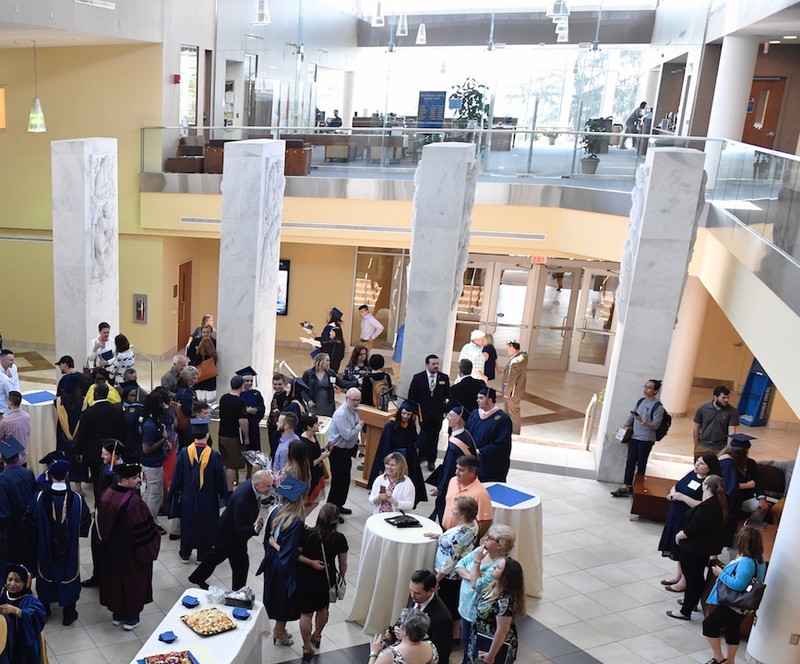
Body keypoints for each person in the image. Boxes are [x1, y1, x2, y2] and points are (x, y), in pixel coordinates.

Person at [21, 459, 90, 626]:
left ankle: (46, 610)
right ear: (67, 475)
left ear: (49, 475)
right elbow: (85, 523)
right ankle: (69, 613)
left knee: (46, 574)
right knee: (69, 574)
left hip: (45, 549)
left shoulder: (38, 498)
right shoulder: (78, 499)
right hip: (69, 550)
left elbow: (28, 525)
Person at [94, 463, 161, 630]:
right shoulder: (134, 503)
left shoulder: (104, 495)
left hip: (109, 551)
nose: (138, 480)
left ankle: (117, 614)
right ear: (124, 480)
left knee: (114, 581)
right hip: (130, 554)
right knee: (132, 582)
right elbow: (146, 533)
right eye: (134, 478)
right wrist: (149, 550)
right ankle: (131, 617)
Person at [189, 469, 274, 591]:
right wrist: (255, 528)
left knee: (217, 555)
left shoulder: (253, 485)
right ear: (256, 485)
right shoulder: (243, 499)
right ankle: (238, 593)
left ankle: (197, 577)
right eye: (268, 486)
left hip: (229, 529)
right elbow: (239, 528)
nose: (270, 489)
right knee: (241, 564)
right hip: (231, 535)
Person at [658, 453, 723, 592]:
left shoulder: (710, 483)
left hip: (690, 520)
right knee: (677, 550)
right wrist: (673, 492)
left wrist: (682, 497)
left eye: (701, 464)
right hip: (676, 515)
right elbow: (678, 485)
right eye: (697, 462)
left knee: (685, 551)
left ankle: (684, 582)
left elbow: (705, 505)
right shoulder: (692, 474)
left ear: (709, 468)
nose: (697, 465)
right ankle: (678, 576)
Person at [702, 526, 767, 664]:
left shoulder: (746, 561)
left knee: (709, 625)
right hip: (743, 606)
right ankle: (730, 661)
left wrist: (721, 573)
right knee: (732, 629)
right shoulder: (759, 559)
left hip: (733, 604)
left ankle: (719, 658)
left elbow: (739, 584)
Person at [667, 474, 727, 621]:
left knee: (693, 579)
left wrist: (679, 536)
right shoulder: (716, 503)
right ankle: (691, 603)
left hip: (694, 549)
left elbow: (694, 528)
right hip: (702, 549)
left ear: (706, 486)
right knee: (696, 578)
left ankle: (685, 611)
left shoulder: (709, 506)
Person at [257, 475, 308, 647]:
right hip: (284, 566)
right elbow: (288, 552)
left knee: (276, 597)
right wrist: (295, 549)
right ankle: (279, 632)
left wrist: (273, 546)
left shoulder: (275, 511)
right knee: (284, 601)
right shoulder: (296, 522)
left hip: (272, 561)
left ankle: (280, 630)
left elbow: (267, 540)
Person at [167, 418, 227, 564]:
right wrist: (225, 496)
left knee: (187, 524)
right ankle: (202, 556)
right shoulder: (214, 456)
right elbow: (220, 480)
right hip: (208, 498)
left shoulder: (184, 452)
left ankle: (185, 553)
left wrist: (172, 493)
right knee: (206, 526)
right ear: (207, 435)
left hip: (188, 497)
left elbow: (177, 477)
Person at [454, 526, 516, 662]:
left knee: (471, 645)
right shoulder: (481, 551)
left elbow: (477, 586)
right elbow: (459, 565)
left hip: (475, 612)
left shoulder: (499, 566)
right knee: (466, 643)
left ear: (500, 545)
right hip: (464, 605)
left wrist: (476, 562)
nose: (485, 539)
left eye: (490, 538)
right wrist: (473, 576)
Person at [297, 503, 348, 657]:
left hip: (307, 577)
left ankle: (306, 647)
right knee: (323, 609)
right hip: (327, 578)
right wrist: (342, 577)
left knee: (306, 614)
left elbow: (296, 555)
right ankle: (317, 635)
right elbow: (343, 563)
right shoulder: (339, 539)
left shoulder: (306, 534)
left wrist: (311, 562)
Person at [425, 496, 479, 640]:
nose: (451, 510)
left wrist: (436, 579)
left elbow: (450, 560)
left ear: (462, 514)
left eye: (455, 508)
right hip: (455, 573)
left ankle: (447, 635)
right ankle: (455, 632)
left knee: (447, 604)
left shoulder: (459, 535)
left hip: (449, 576)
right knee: (453, 602)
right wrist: (440, 536)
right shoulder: (472, 524)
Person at [610, 379, 665, 497]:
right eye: (645, 386)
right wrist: (626, 425)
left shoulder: (658, 407)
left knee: (641, 464)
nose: (646, 389)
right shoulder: (640, 401)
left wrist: (642, 421)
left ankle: (638, 488)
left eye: (649, 387)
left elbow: (655, 425)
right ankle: (626, 486)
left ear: (655, 391)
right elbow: (632, 416)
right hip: (634, 437)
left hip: (646, 439)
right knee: (630, 462)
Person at [367, 401, 427, 507]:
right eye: (403, 413)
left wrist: (417, 424)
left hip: (407, 459)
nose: (405, 416)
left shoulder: (411, 426)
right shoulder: (391, 425)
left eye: (409, 414)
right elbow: (384, 446)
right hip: (393, 458)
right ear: (400, 412)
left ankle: (401, 501)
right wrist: (386, 464)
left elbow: (420, 442)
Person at [467, 557, 525, 664]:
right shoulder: (494, 586)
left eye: (498, 568)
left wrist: (491, 655)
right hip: (481, 638)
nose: (494, 567)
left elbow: (502, 630)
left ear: (506, 576)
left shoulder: (505, 599)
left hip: (492, 645)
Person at [430, 405, 477, 523]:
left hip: (454, 486)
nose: (447, 418)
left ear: (459, 419)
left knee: (445, 514)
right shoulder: (466, 435)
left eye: (451, 416)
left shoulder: (455, 446)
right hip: (465, 483)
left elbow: (449, 470)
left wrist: (440, 489)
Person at [407, 355, 450, 471]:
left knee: (434, 437)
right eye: (433, 364)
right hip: (422, 415)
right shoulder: (418, 378)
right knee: (422, 436)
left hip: (436, 415)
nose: (436, 366)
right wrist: (414, 413)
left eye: (437, 363)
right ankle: (421, 456)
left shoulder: (443, 378)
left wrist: (445, 411)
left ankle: (432, 460)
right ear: (427, 365)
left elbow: (447, 396)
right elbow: (412, 397)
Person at [325, 388, 364, 518]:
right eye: (354, 400)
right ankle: (330, 513)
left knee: (345, 480)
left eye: (358, 400)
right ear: (346, 398)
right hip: (338, 450)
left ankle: (339, 506)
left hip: (347, 450)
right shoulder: (342, 414)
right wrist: (360, 426)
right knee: (337, 482)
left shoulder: (355, 410)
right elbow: (347, 435)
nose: (356, 403)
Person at [0, 437, 37, 570]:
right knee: (27, 559)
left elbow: (3, 512)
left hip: (11, 529)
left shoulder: (2, 479)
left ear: (2, 458)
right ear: (17, 456)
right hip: (29, 523)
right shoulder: (28, 474)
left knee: (12, 562)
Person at [0, 563, 47, 663]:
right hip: (4, 640)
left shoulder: (29, 599)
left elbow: (37, 616)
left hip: (23, 644)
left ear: (24, 583)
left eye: (17, 581)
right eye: (10, 579)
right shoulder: (3, 594)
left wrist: (17, 611)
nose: (12, 584)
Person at [719, 433, 759, 547]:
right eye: (746, 453)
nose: (747, 455)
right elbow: (730, 487)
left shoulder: (724, 460)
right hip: (729, 501)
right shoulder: (728, 464)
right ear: (740, 453)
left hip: (731, 499)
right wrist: (748, 485)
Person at [139, 390, 170, 536]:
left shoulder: (153, 420)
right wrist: (163, 440)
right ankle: (151, 522)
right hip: (152, 464)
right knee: (155, 494)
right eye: (160, 403)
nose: (163, 405)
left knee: (150, 493)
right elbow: (146, 448)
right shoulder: (150, 426)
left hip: (154, 462)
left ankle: (143, 518)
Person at [467, 388, 513, 483]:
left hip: (490, 463)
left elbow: (501, 444)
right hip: (472, 460)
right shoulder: (475, 414)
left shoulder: (502, 419)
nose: (477, 400)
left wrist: (480, 451)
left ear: (490, 399)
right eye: (478, 398)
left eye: (481, 398)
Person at [441, 455, 493, 537]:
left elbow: (486, 521)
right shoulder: (453, 481)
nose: (456, 472)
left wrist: (472, 539)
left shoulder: (480, 494)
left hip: (462, 540)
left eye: (461, 470)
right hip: (446, 532)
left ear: (472, 473)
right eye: (457, 468)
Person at [54, 373, 89, 492]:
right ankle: (78, 488)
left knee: (65, 459)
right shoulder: (83, 401)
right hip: (79, 435)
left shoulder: (59, 402)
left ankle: (65, 485)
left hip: (63, 435)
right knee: (78, 460)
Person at [369, 608, 438, 664]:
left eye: (400, 624)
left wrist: (374, 652)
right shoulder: (431, 647)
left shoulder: (391, 655)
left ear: (405, 631)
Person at [218, 375, 250, 492]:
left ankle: (224, 487)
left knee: (225, 462)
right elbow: (243, 422)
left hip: (221, 433)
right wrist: (246, 438)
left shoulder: (223, 398)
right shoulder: (239, 402)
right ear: (241, 386)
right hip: (233, 436)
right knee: (232, 465)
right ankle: (229, 490)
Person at [693, 386, 739, 459]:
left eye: (728, 397)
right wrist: (697, 444)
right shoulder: (703, 409)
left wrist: (727, 448)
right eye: (723, 398)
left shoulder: (732, 411)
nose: (726, 400)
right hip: (703, 446)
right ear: (715, 397)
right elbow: (696, 427)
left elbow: (732, 432)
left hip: (720, 448)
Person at [237, 367, 266, 478]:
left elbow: (261, 408)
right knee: (239, 452)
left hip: (253, 427)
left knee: (252, 452)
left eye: (251, 381)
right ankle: (236, 476)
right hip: (239, 428)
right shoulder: (238, 394)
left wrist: (256, 411)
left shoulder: (256, 394)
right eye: (247, 381)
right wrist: (246, 411)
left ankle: (249, 473)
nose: (249, 383)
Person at [298, 414, 330, 507]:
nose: (318, 424)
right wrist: (322, 457)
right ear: (309, 427)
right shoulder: (304, 443)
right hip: (310, 477)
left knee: (315, 501)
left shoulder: (313, 436)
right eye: (315, 423)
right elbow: (308, 464)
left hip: (317, 474)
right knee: (311, 502)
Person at [501, 342, 528, 435]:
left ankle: (515, 432)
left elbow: (511, 380)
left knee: (513, 412)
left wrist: (507, 393)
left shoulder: (514, 362)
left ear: (512, 347)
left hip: (513, 393)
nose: (507, 349)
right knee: (508, 411)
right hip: (518, 390)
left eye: (508, 347)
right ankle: (507, 430)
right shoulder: (523, 357)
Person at [301, 353, 339, 417]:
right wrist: (308, 400)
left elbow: (341, 383)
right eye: (327, 360)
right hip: (314, 404)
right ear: (320, 361)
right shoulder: (308, 373)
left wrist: (356, 382)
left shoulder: (331, 373)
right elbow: (302, 389)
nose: (329, 363)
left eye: (329, 361)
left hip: (328, 405)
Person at [0, 391, 31, 466]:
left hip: (9, 461)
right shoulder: (27, 416)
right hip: (23, 458)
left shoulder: (6, 421)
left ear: (10, 402)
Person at [174, 365, 199, 449]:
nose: (196, 381)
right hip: (189, 425)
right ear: (188, 379)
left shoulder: (179, 388)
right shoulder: (186, 393)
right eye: (194, 378)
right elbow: (189, 412)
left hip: (182, 425)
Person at [120, 384, 145, 462]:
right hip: (122, 439)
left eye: (134, 395)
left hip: (133, 440)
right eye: (131, 395)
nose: (133, 398)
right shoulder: (118, 407)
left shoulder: (139, 409)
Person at [267, 373, 290, 457]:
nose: (277, 386)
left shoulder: (286, 396)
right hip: (272, 427)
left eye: (279, 384)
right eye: (275, 384)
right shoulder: (275, 395)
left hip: (281, 429)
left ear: (284, 383)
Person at [191, 333, 217, 402]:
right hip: (211, 380)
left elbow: (196, 363)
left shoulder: (200, 354)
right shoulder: (214, 355)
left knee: (201, 399)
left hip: (201, 380)